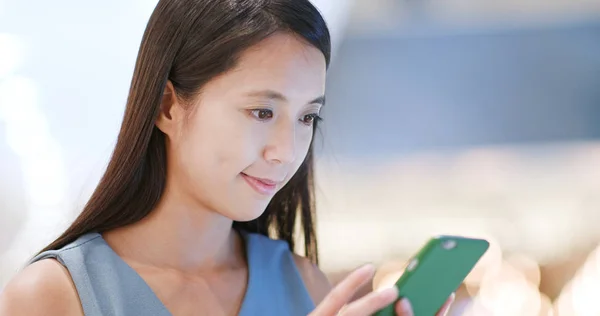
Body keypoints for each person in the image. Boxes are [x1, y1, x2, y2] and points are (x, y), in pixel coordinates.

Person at [0, 0, 454, 315]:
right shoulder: (53, 296)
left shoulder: (308, 286)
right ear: (168, 107)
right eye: (262, 111)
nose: (286, 152)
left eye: (306, 118)